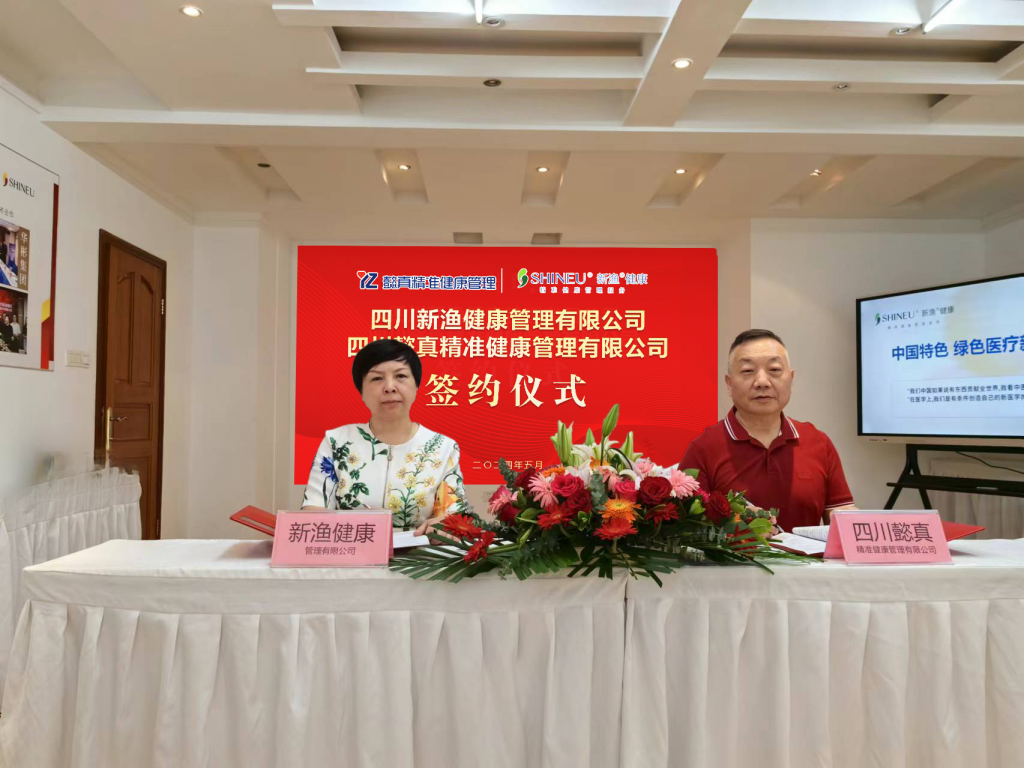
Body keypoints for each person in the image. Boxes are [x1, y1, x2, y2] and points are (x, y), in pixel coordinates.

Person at [679, 329, 855, 530]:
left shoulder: (818, 442)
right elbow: (686, 528)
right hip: (736, 552)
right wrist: (734, 524)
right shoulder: (703, 448)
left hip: (807, 553)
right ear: (729, 384)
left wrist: (855, 520)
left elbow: (839, 511)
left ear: (790, 379)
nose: (762, 382)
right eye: (748, 371)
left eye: (774, 370)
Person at [301, 338, 467, 535]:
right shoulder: (337, 442)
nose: (389, 387)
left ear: (416, 385)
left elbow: (454, 517)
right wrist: (356, 524)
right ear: (361, 390)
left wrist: (444, 527)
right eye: (377, 378)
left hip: (419, 552)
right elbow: (313, 512)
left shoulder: (443, 447)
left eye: (401, 376)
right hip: (350, 551)